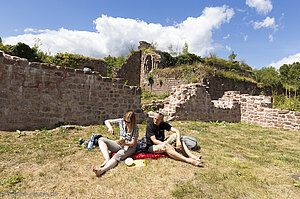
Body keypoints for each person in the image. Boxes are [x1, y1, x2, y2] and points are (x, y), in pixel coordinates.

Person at [92, 111, 139, 177]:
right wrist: (110, 128)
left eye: (128, 122)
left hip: (130, 147)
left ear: (132, 122)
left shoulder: (136, 128)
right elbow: (107, 121)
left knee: (117, 156)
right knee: (101, 140)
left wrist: (124, 144)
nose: (126, 123)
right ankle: (107, 159)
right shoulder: (121, 121)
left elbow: (133, 143)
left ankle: (101, 171)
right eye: (125, 121)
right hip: (119, 144)